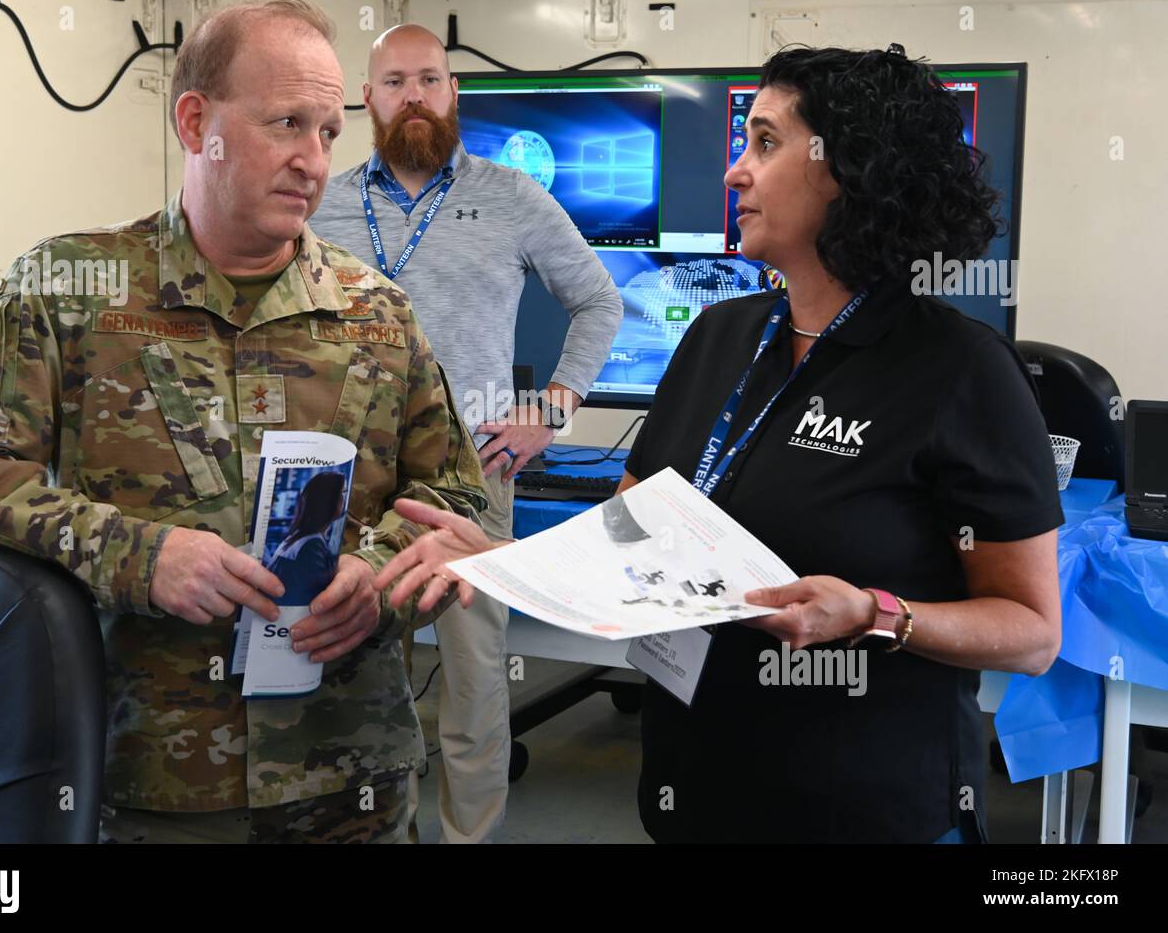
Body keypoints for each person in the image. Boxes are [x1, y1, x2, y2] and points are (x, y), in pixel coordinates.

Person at [369, 45, 1065, 844]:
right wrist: (498, 560)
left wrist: (876, 615)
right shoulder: (718, 335)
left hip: (866, 810)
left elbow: (1033, 632)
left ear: (850, 170)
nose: (735, 171)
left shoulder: (960, 370)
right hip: (696, 790)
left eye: (765, 143)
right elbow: (629, 524)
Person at [0, 0, 486, 845]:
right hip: (144, 785)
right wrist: (139, 556)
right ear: (195, 121)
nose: (313, 161)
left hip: (349, 783)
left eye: (329, 131)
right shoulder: (71, 289)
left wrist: (379, 578)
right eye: (287, 122)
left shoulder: (378, 314)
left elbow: (456, 496)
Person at [309, 24, 622, 842]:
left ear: (453, 94)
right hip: (346, 476)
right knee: (336, 654)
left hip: (471, 473)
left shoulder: (513, 196)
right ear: (368, 100)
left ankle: (467, 836)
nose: (413, 95)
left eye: (429, 79)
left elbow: (600, 301)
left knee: (476, 678)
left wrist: (548, 412)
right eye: (393, 82)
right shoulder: (325, 202)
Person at [265, 471, 347, 606]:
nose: (344, 499)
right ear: (330, 501)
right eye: (342, 494)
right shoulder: (312, 546)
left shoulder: (297, 537)